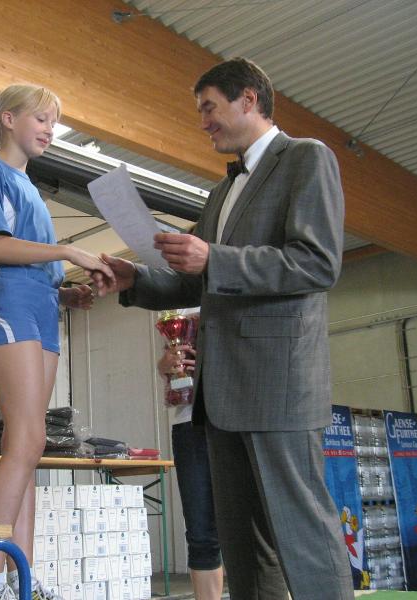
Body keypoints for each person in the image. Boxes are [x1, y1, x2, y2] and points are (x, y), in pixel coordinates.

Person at [94, 58, 354, 599]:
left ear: (249, 99)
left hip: (279, 386)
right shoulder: (222, 192)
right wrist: (133, 278)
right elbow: (194, 280)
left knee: (302, 533)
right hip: (222, 395)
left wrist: (215, 257)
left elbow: (317, 262)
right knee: (242, 543)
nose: (203, 122)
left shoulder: (306, 157)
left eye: (209, 107)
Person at [0, 83, 113, 600]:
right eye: (42, 119)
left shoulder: (32, 190)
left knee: (27, 449)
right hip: (9, 303)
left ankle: (19, 579)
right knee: (25, 442)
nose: (51, 130)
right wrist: (68, 251)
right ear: (8, 119)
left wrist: (65, 291)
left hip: (44, 307)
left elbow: (37, 264)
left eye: (55, 122)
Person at [156, 309, 224, 600]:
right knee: (200, 532)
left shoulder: (239, 287)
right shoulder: (175, 307)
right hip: (189, 422)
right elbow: (168, 365)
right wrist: (166, 364)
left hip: (239, 419)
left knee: (256, 524)